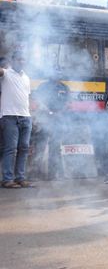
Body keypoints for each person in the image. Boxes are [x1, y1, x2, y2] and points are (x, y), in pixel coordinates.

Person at [30, 66, 72, 182]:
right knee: (40, 147)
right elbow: (39, 102)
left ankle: (53, 175)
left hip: (59, 120)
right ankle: (35, 175)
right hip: (44, 119)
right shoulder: (43, 86)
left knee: (55, 147)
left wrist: (58, 113)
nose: (58, 75)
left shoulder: (65, 87)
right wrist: (50, 112)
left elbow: (68, 103)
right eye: (55, 72)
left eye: (60, 73)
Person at [0, 52, 34, 189]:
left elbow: (28, 98)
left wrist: (31, 116)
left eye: (23, 59)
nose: (21, 61)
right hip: (10, 116)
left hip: (26, 117)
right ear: (12, 60)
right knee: (10, 148)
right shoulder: (6, 73)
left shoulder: (26, 77)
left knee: (24, 148)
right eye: (18, 59)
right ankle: (7, 179)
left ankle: (20, 178)